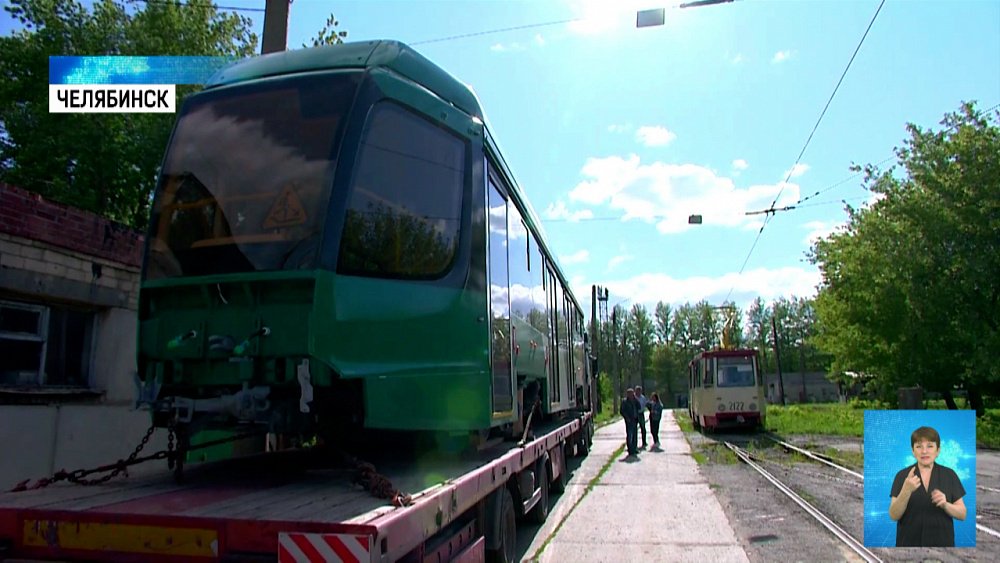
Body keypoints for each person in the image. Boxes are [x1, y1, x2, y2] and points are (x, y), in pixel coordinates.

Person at [888, 426, 967, 547]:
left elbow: (962, 514)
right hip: (908, 546)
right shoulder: (902, 476)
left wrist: (946, 505)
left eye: (930, 446)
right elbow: (893, 515)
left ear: (938, 450)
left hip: (943, 546)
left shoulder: (949, 475)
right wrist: (906, 490)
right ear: (913, 451)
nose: (924, 451)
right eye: (919, 446)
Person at [619, 388, 639, 456]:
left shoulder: (635, 400)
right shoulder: (625, 402)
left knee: (635, 435)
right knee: (629, 435)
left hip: (635, 419)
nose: (632, 395)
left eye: (632, 393)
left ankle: (634, 448)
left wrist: (635, 399)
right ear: (628, 394)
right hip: (629, 420)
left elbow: (639, 407)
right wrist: (626, 417)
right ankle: (630, 450)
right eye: (630, 393)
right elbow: (622, 411)